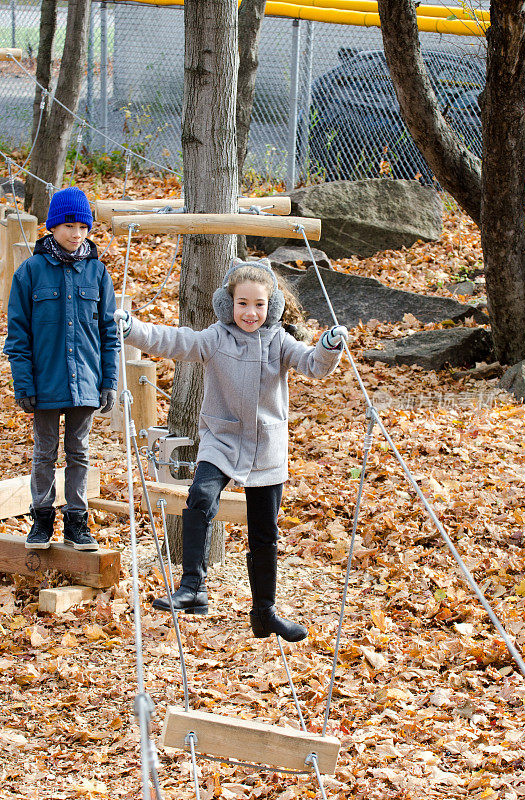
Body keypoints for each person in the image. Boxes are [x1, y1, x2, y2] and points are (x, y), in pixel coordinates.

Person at [115, 258, 347, 642]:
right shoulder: (215, 338)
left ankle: (265, 613)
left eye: (259, 304)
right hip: (221, 441)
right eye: (242, 304)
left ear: (271, 307)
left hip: (265, 447)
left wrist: (328, 347)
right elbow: (174, 341)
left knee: (264, 533)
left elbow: (313, 365)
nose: (250, 313)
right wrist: (132, 328)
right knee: (200, 497)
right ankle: (193, 587)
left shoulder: (279, 341)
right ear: (228, 304)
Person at [4, 187, 120, 552]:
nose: (76, 234)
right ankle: (41, 520)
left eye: (83, 227)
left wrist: (109, 381)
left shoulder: (98, 273)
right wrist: (23, 383)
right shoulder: (31, 272)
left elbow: (109, 333)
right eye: (69, 225)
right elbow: (17, 333)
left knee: (80, 453)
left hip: (86, 383)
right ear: (52, 227)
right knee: (44, 452)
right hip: (44, 383)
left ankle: (77, 524)